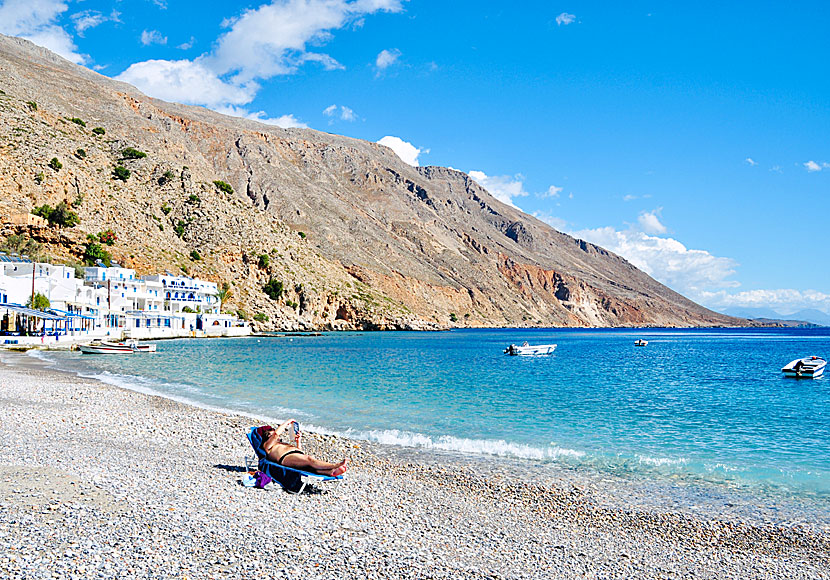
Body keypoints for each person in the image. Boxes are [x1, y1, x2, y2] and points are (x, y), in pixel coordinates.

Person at [256, 421, 347, 476]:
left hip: (294, 455)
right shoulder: (267, 446)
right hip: (285, 458)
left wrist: (298, 441)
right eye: (272, 435)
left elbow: (299, 451)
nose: (277, 437)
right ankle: (335, 465)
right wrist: (288, 421)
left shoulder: (281, 443)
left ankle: (331, 472)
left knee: (310, 467)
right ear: (268, 437)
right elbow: (276, 435)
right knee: (309, 460)